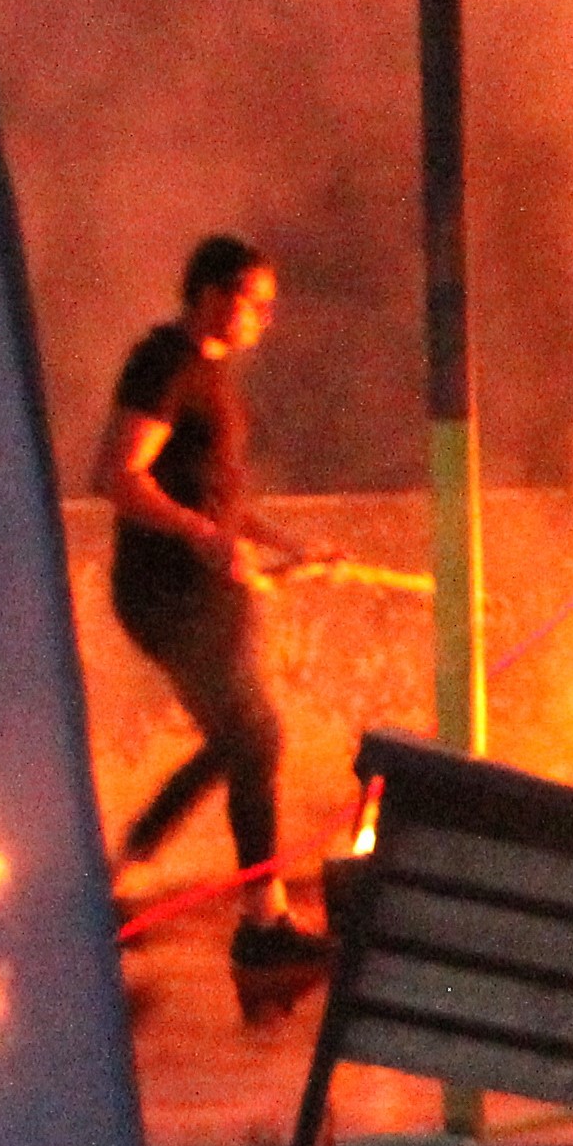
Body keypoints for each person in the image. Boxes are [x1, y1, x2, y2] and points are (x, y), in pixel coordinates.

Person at [98, 234, 329, 969]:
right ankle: (255, 921)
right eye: (254, 300)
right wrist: (202, 534)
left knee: (245, 741)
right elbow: (117, 474)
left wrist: (291, 543)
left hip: (206, 589)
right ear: (209, 295)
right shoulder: (164, 364)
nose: (265, 315)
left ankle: (136, 873)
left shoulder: (211, 375)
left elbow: (217, 498)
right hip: (168, 592)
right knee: (251, 737)